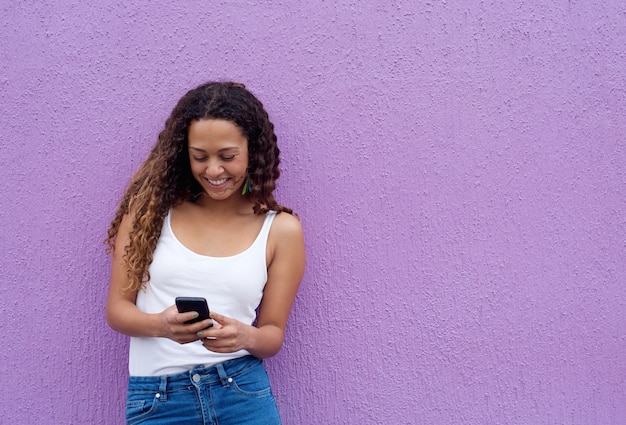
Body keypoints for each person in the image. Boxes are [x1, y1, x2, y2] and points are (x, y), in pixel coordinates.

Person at [105, 81, 306, 424]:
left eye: (227, 156)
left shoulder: (281, 230)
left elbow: (273, 333)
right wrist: (160, 325)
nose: (213, 171)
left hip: (242, 393)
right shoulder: (150, 213)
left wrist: (248, 336)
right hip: (158, 401)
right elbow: (117, 310)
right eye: (200, 157)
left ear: (252, 151)